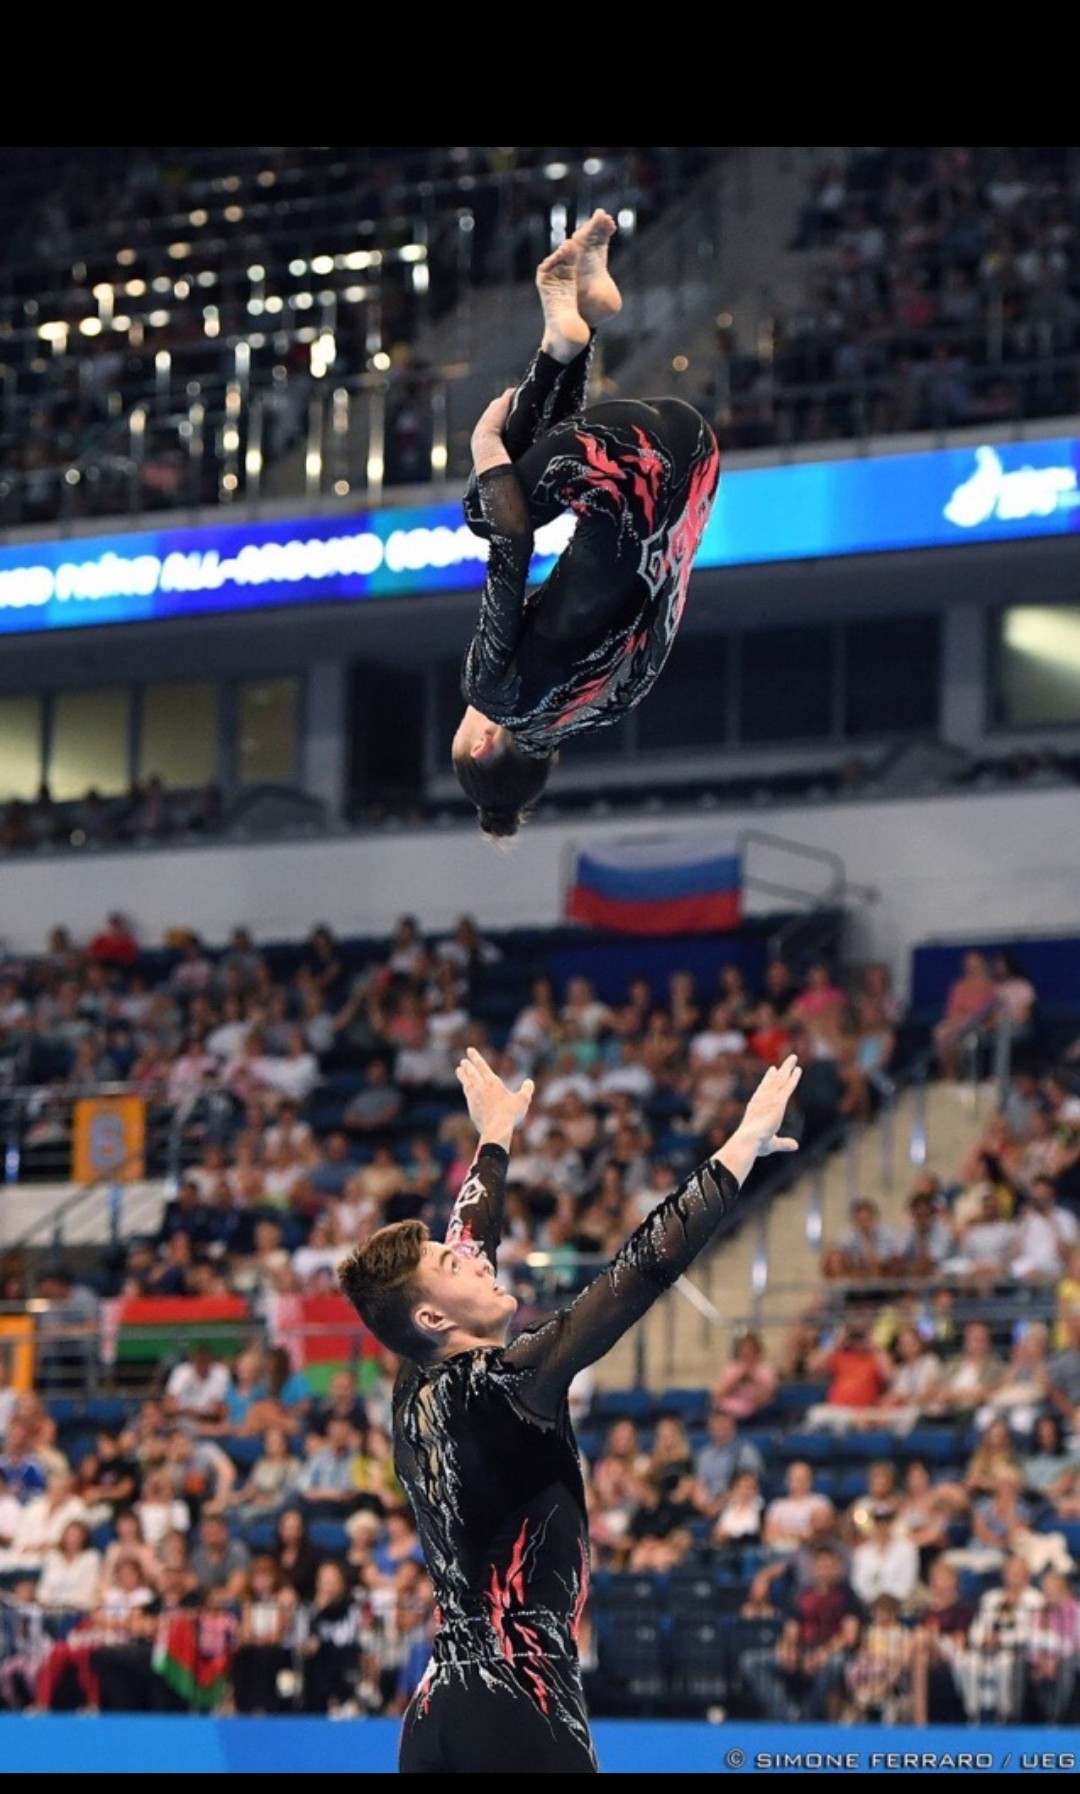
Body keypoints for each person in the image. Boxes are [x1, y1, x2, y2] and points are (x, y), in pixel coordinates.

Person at [337, 1044, 801, 1773]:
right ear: (431, 1317)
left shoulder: (412, 1391)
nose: (477, 1259)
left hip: (436, 1712)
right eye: (454, 1270)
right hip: (518, 1702)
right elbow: (639, 1271)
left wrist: (496, 1138)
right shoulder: (511, 1382)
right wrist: (740, 1147)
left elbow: (468, 1234)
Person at [451, 210, 721, 837]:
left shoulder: (605, 707)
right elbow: (511, 539)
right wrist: (485, 443)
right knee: (481, 511)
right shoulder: (496, 695)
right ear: (485, 744)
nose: (464, 715)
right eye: (461, 733)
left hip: (696, 457)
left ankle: (582, 322)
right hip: (631, 461)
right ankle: (569, 338)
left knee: (550, 492)